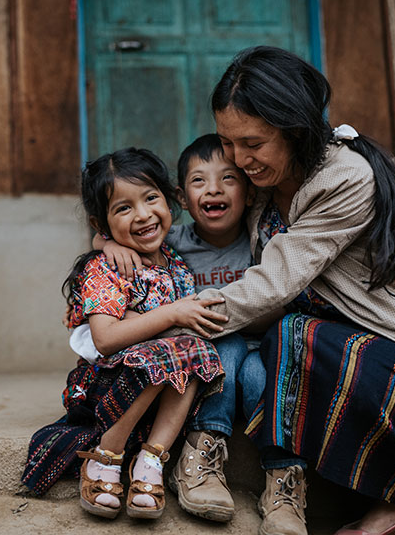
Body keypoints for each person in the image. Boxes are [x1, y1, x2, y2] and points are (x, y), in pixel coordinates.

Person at [189, 46, 395, 535]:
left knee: (295, 337)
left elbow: (274, 282)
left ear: (295, 131)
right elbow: (196, 217)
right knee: (289, 341)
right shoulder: (261, 181)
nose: (238, 158)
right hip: (347, 333)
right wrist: (108, 240)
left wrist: (178, 322)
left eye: (252, 142)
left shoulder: (345, 177)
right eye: (227, 142)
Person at [19, 147, 228, 521]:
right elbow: (105, 339)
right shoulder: (107, 269)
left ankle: (151, 459)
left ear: (170, 199)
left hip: (157, 386)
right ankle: (106, 456)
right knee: (168, 350)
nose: (143, 215)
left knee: (196, 350)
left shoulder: (175, 259)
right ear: (102, 224)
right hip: (108, 383)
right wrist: (170, 313)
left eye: (151, 198)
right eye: (123, 208)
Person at [97, 134, 279, 522]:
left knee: (258, 373)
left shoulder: (260, 241)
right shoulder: (172, 242)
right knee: (223, 352)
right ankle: (202, 450)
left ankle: (281, 475)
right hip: (207, 356)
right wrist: (107, 244)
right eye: (199, 181)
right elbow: (128, 230)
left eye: (228, 178)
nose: (213, 189)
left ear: (249, 193)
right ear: (181, 198)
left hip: (257, 348)